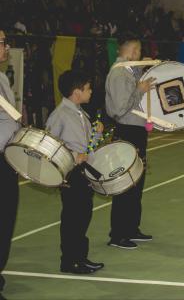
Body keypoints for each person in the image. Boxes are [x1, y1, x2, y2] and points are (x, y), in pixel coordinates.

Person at [46, 70, 104, 274]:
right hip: (71, 173)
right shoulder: (60, 115)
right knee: (73, 217)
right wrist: (73, 155)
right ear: (77, 92)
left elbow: (87, 148)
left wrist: (97, 134)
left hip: (83, 171)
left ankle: (80, 257)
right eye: (88, 88)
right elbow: (49, 146)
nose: (91, 91)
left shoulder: (81, 113)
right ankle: (70, 261)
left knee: (83, 214)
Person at [105, 32, 155, 249]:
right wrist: (139, 90)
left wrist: (142, 70)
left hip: (136, 131)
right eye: (139, 50)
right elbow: (119, 108)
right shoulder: (119, 73)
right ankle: (118, 234)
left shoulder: (129, 70)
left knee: (136, 182)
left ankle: (131, 228)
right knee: (125, 184)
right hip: (127, 131)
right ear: (132, 50)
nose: (140, 54)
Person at [0, 30, 20, 293]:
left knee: (6, 219)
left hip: (8, 158)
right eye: (2, 42)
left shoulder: (3, 78)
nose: (6, 47)